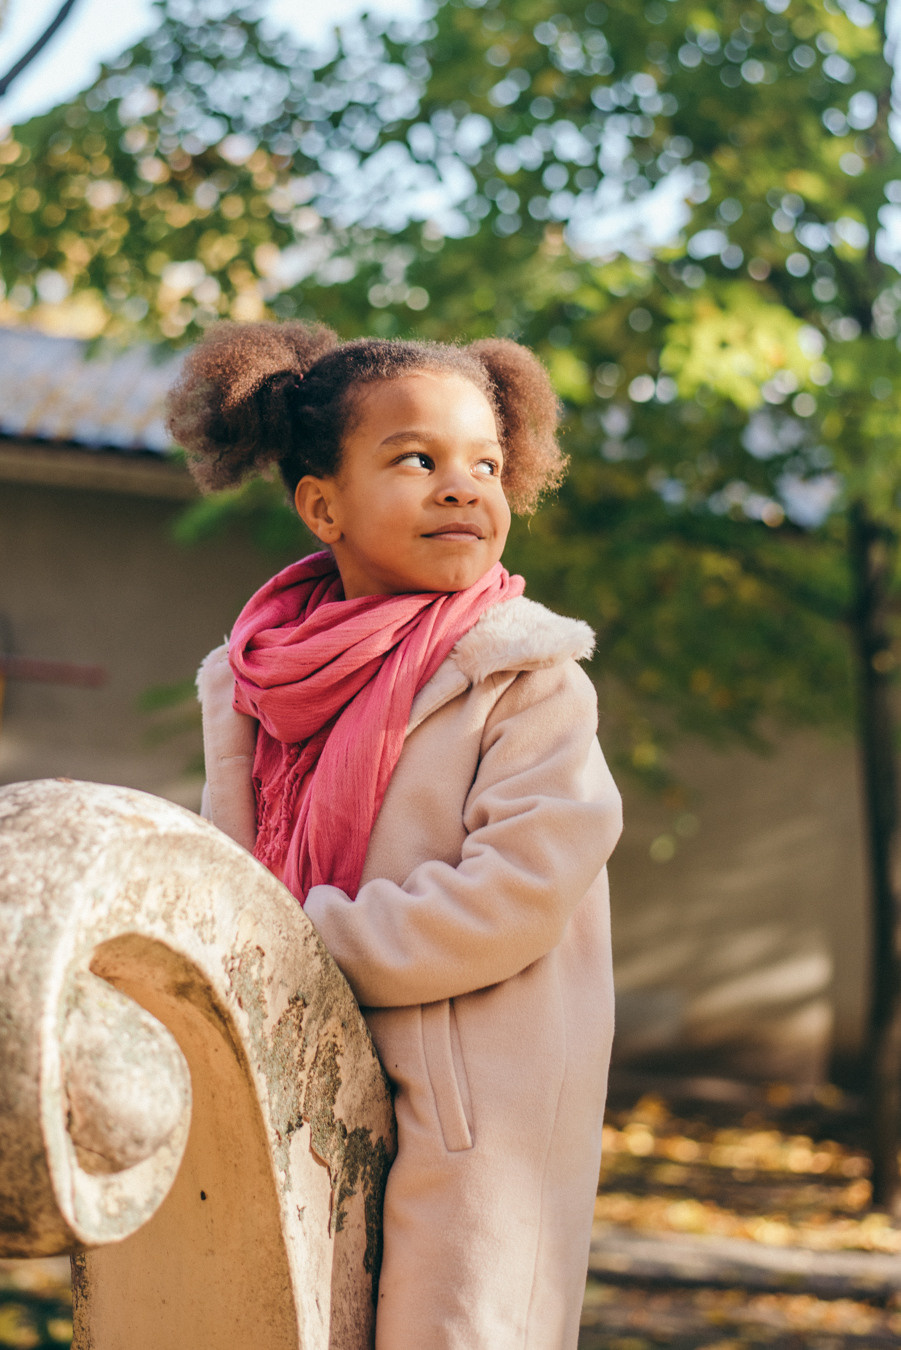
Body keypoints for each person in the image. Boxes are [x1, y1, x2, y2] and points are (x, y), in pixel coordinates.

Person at [168, 320, 622, 1350]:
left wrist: (285, 949)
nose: (464, 487)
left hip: (472, 1125)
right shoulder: (250, 683)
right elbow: (228, 870)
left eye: (486, 465)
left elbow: (508, 898)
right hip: (286, 1089)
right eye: (417, 459)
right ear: (321, 504)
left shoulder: (526, 677)